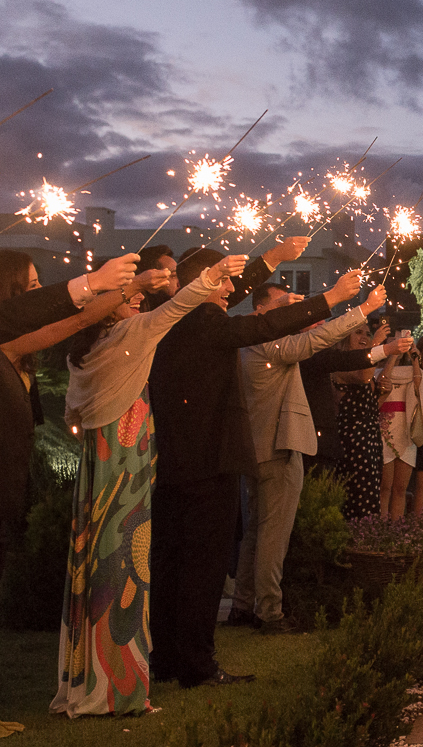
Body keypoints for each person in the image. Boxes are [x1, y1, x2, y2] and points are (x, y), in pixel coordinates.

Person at [50, 254, 242, 716]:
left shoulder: (87, 351)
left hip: (100, 471)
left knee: (98, 566)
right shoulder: (130, 336)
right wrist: (209, 279)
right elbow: (177, 307)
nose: (138, 300)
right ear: (104, 308)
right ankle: (116, 687)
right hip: (127, 471)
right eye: (127, 297)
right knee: (124, 571)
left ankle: (93, 674)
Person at [147, 237, 343, 688]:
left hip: (177, 462)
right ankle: (196, 664)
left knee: (172, 562)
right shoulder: (203, 324)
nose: (231, 287)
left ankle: (168, 658)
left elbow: (227, 297)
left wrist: (273, 258)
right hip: (208, 462)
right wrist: (329, 299)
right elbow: (262, 328)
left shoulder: (174, 319)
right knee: (202, 567)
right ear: (203, 283)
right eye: (223, 279)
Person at [228, 279, 389, 633]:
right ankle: (269, 612)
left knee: (256, 530)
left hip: (256, 447)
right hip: (276, 446)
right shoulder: (266, 342)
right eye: (280, 306)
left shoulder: (252, 343)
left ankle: (242, 604)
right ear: (259, 312)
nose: (288, 312)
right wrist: (363, 309)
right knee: (274, 533)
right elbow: (318, 341)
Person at [0, 253, 140, 583]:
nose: (41, 293)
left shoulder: (18, 353)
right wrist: (100, 284)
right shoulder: (9, 343)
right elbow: (75, 322)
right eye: (33, 287)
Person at [332, 322, 409, 520]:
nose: (364, 336)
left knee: (370, 494)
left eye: (367, 333)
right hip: (351, 440)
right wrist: (376, 344)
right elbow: (365, 376)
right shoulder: (340, 362)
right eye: (358, 332)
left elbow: (370, 408)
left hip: (370, 438)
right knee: (357, 497)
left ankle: (366, 541)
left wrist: (392, 359)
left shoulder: (366, 360)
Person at [378, 332, 423, 519]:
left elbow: (419, 385)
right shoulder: (380, 372)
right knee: (385, 487)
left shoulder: (413, 372)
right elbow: (383, 380)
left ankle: (396, 529)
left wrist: (415, 358)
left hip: (406, 430)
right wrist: (393, 355)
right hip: (386, 427)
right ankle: (380, 528)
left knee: (400, 488)